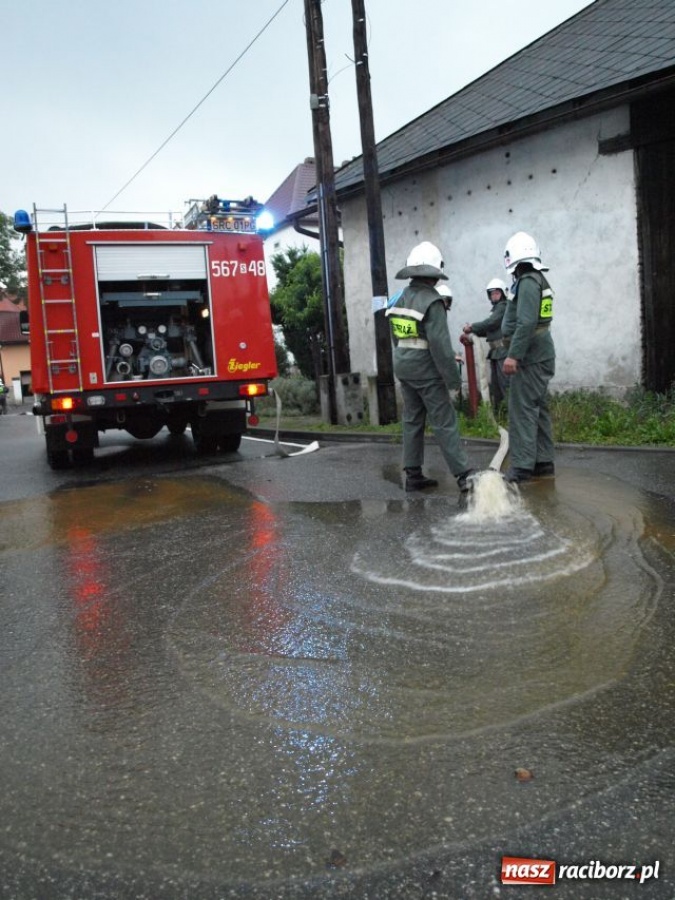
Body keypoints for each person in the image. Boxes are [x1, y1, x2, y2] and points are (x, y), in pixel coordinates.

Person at [385, 241, 475, 493]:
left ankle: (413, 474)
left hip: (403, 367)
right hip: (426, 371)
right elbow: (441, 347)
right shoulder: (433, 302)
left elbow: (396, 337)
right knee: (444, 421)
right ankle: (464, 476)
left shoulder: (399, 299)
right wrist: (453, 381)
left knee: (412, 419)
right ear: (433, 275)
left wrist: (404, 356)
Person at [501, 232, 556, 483]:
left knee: (522, 409)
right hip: (540, 353)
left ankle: (521, 467)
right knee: (538, 408)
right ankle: (543, 462)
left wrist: (513, 355)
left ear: (513, 261)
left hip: (531, 356)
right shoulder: (538, 279)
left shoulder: (527, 282)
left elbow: (525, 323)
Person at [462, 278, 509, 413]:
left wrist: (472, 327)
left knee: (505, 384)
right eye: (492, 293)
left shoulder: (503, 307)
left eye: (497, 293)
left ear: (503, 294)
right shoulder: (496, 309)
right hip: (496, 352)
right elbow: (489, 329)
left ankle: (510, 415)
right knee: (497, 386)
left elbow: (491, 323)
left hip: (502, 351)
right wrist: (474, 330)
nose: (494, 296)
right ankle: (501, 414)